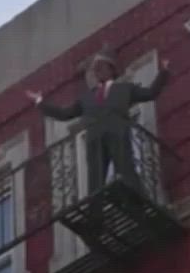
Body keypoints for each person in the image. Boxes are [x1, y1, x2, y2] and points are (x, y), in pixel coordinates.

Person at [26, 51, 171, 192]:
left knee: (126, 169)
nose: (97, 72)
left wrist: (163, 73)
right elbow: (64, 114)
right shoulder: (86, 98)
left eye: (101, 67)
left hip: (117, 132)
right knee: (95, 179)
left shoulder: (124, 88)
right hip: (95, 138)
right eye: (95, 69)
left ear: (111, 70)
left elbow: (150, 93)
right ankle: (96, 205)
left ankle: (135, 196)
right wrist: (40, 102)